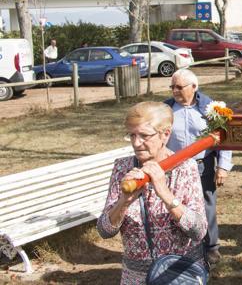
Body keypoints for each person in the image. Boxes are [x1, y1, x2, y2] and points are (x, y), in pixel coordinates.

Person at [98, 102, 207, 284]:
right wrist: (123, 202)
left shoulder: (186, 168)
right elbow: (104, 230)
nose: (136, 143)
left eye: (144, 135)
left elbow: (198, 230)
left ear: (165, 134)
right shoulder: (122, 168)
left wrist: (165, 193)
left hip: (179, 275)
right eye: (132, 135)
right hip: (136, 277)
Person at [164, 69, 232, 264]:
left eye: (179, 87)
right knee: (174, 205)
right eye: (172, 87)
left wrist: (223, 166)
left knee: (206, 204)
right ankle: (179, 247)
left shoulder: (211, 109)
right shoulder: (165, 109)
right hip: (173, 167)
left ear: (194, 87)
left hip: (203, 165)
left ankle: (211, 247)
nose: (175, 91)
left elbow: (224, 136)